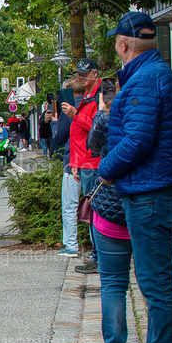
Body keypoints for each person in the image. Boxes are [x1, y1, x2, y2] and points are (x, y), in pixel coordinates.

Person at [99, 11, 172, 343]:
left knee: (155, 284)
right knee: (152, 282)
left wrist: (105, 168)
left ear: (123, 44)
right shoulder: (154, 75)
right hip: (148, 189)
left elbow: (137, 140)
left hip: (149, 192)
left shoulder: (146, 79)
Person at [86, 86, 130, 343]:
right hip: (146, 206)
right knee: (156, 288)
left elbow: (91, 145)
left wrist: (101, 114)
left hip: (110, 210)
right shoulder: (149, 117)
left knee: (113, 285)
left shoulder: (104, 120)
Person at [62, 58, 103, 275]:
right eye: (79, 74)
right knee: (91, 212)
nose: (81, 77)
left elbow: (97, 127)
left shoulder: (98, 97)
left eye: (85, 74)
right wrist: (75, 163)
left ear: (95, 74)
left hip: (93, 162)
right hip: (84, 162)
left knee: (95, 212)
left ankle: (99, 257)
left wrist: (75, 115)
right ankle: (97, 255)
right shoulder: (88, 96)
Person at [55, 76, 86, 257]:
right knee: (94, 207)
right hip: (91, 161)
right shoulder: (91, 104)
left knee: (70, 205)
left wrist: (54, 122)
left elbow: (60, 138)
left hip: (73, 161)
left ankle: (71, 245)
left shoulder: (69, 107)